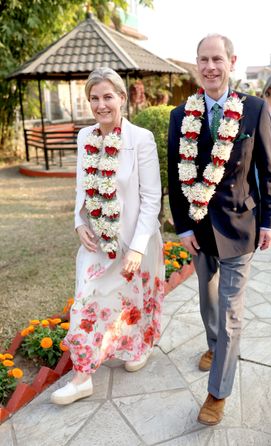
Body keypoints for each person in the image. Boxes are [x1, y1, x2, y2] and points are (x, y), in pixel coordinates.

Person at [168, 34, 271, 426]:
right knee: (208, 301)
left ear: (232, 61)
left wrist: (270, 220)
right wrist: (182, 228)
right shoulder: (180, 115)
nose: (210, 66)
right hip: (199, 229)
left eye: (217, 59)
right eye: (203, 59)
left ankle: (218, 392)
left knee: (231, 312)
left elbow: (267, 170)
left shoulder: (252, 109)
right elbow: (174, 177)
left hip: (240, 225)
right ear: (196, 64)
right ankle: (214, 347)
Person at [51, 67, 165, 405]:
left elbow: (151, 199)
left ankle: (138, 346)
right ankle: (82, 377)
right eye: (95, 98)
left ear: (122, 98)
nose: (101, 105)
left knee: (135, 300)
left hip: (134, 240)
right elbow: (80, 189)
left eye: (108, 97)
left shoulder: (141, 139)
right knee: (86, 301)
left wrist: (138, 248)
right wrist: (78, 223)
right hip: (97, 242)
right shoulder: (85, 137)